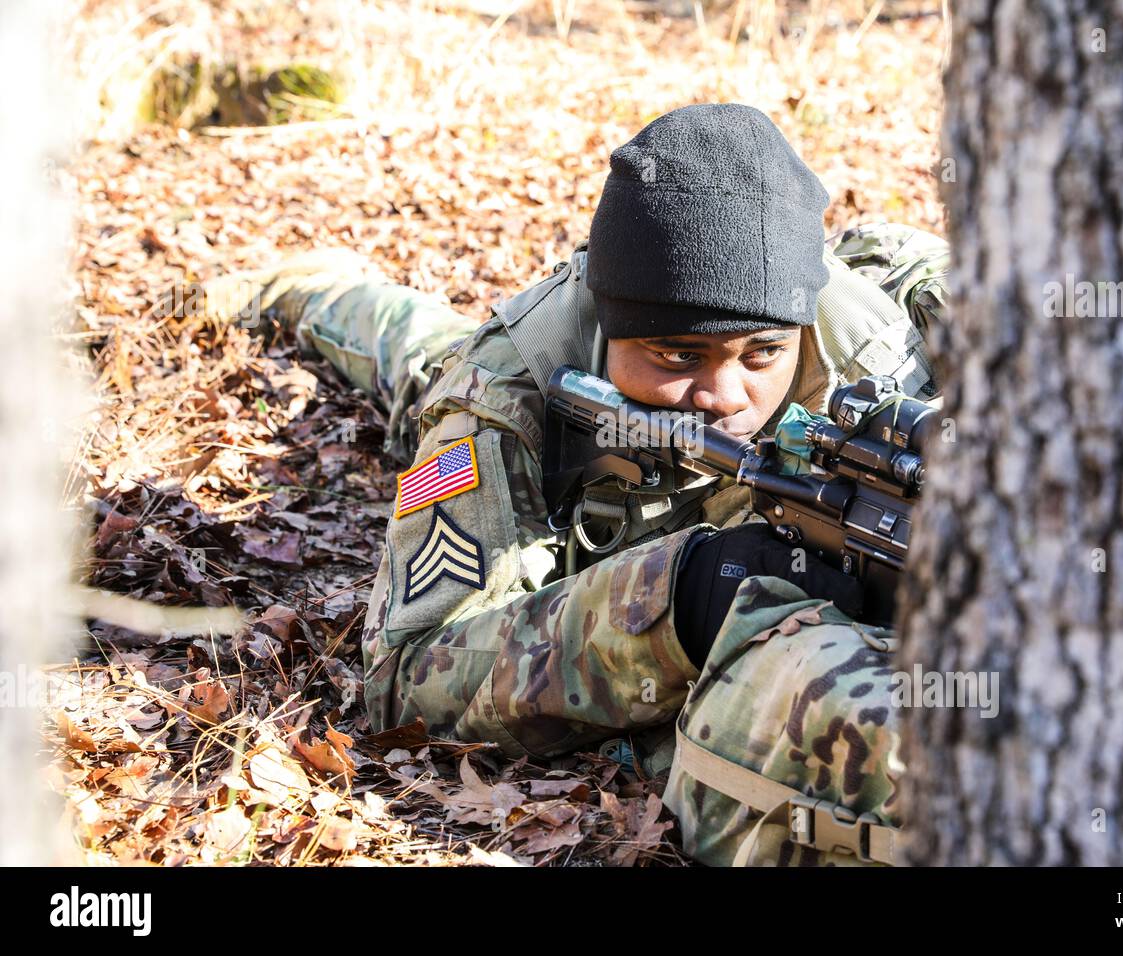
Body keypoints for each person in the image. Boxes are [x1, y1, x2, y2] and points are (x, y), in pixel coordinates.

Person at [207, 103, 949, 866]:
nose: (726, 396)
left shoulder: (887, 328)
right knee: (416, 349)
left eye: (761, 354)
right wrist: (681, 598)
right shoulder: (502, 394)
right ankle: (311, 285)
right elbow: (409, 679)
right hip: (522, 432)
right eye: (675, 355)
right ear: (611, 325)